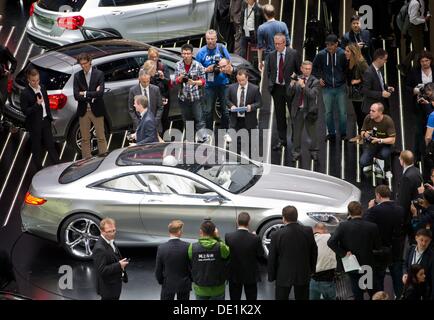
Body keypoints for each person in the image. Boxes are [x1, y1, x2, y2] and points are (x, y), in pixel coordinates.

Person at [327, 201, 382, 300]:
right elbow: (378, 246)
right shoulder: (372, 226)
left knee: (357, 293)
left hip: (352, 265)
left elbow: (331, 242)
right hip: (367, 265)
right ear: (362, 211)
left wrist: (343, 253)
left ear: (349, 212)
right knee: (373, 293)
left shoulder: (343, 226)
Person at [268, 205, 318, 300]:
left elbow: (272, 258)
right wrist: (312, 270)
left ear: (284, 218)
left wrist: (272, 276)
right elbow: (314, 252)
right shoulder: (308, 231)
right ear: (297, 216)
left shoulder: (276, 234)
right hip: (303, 273)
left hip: (283, 275)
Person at [364, 185, 405, 298]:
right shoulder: (400, 209)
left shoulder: (375, 210)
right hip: (397, 249)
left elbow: (365, 224)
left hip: (380, 250)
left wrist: (369, 208)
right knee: (397, 277)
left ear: (378, 195)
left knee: (379, 279)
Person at [265, 33, 300, 151]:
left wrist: (294, 81)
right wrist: (271, 84)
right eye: (275, 44)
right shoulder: (271, 55)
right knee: (279, 116)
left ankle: (295, 140)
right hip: (277, 89)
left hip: (290, 89)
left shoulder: (293, 53)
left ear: (285, 43)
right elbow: (269, 71)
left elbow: (298, 71)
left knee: (294, 115)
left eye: (279, 44)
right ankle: (282, 140)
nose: (277, 46)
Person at [20, 68, 59, 170]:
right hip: (34, 124)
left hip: (45, 121)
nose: (36, 82)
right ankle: (38, 169)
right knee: (36, 148)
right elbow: (25, 111)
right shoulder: (25, 93)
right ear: (28, 79)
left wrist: (50, 117)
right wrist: (36, 105)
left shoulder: (42, 87)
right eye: (33, 81)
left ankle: (59, 166)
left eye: (37, 80)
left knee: (50, 145)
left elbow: (46, 104)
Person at [196, 29, 231, 138]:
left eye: (212, 39)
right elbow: (196, 69)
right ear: (205, 39)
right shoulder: (201, 52)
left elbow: (229, 63)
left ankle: (225, 132)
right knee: (208, 110)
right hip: (209, 86)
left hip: (223, 83)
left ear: (216, 39)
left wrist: (222, 67)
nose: (210, 41)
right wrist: (207, 69)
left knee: (225, 110)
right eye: (208, 39)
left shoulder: (221, 48)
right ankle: (208, 132)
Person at [313, 34, 348, 141]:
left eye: (331, 45)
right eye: (327, 45)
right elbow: (314, 67)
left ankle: (343, 133)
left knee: (342, 112)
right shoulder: (321, 55)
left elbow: (348, 67)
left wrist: (345, 79)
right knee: (328, 112)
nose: (329, 47)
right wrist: (319, 78)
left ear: (337, 44)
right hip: (327, 88)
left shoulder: (342, 54)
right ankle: (331, 133)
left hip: (340, 87)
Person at [73, 53, 107, 159]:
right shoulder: (77, 76)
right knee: (84, 138)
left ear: (90, 61)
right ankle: (86, 161)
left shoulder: (99, 74)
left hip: (97, 109)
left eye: (85, 63)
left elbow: (100, 93)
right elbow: (76, 96)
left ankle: (103, 159)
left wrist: (85, 93)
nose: (83, 66)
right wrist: (92, 95)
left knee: (101, 137)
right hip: (83, 111)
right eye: (81, 64)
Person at [225, 212, 263, 300]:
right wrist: (255, 237)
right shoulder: (255, 238)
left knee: (234, 297)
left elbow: (227, 254)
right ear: (248, 222)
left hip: (234, 274)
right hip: (251, 274)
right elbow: (260, 254)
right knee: (251, 297)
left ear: (237, 221)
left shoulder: (228, 236)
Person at [188, 219, 230, 300]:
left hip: (200, 288)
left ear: (201, 231)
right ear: (214, 232)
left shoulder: (192, 247)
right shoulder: (221, 247)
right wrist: (218, 238)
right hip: (218, 289)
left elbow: (190, 262)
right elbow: (227, 253)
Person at [288, 60, 320, 163]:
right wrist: (292, 84)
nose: (307, 71)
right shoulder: (297, 79)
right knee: (296, 134)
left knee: (312, 133)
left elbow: (312, 95)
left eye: (309, 69)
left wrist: (303, 86)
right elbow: (289, 94)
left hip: (310, 111)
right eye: (305, 69)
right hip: (298, 110)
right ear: (301, 69)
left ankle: (314, 152)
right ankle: (296, 153)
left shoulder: (315, 81)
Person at [174, 43, 207, 142]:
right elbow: (175, 81)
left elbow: (204, 81)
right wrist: (180, 78)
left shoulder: (198, 65)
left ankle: (202, 138)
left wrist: (194, 82)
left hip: (196, 96)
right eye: (184, 53)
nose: (186, 55)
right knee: (187, 120)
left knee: (199, 118)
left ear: (192, 54)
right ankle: (190, 138)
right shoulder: (178, 65)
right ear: (181, 54)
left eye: (188, 53)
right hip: (183, 97)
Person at [226, 68, 261, 157]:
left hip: (249, 119)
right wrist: (231, 106)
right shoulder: (231, 87)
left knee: (249, 142)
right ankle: (237, 159)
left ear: (247, 78)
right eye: (239, 80)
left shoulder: (254, 89)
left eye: (242, 80)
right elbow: (226, 100)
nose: (241, 82)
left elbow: (260, 103)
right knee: (235, 141)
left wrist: (251, 107)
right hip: (236, 119)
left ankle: (247, 159)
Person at [406, 51, 434, 162]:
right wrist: (414, 90)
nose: (424, 63)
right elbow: (407, 86)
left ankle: (429, 153)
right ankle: (417, 155)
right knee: (418, 131)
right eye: (422, 61)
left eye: (426, 60)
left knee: (431, 130)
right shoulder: (414, 72)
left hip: (432, 105)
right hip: (419, 106)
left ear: (430, 60)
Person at [93, 218, 129, 300]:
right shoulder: (100, 249)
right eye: (109, 231)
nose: (112, 233)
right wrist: (119, 265)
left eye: (114, 230)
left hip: (114, 285)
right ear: (102, 231)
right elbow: (101, 270)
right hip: (108, 289)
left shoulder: (110, 240)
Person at [155, 220, 191, 300]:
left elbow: (158, 269)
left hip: (167, 284)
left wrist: (161, 281)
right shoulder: (188, 246)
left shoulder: (162, 248)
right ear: (179, 231)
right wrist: (190, 280)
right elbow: (191, 266)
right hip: (184, 284)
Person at [359, 102, 396, 176]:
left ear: (380, 112)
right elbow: (362, 131)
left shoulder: (388, 121)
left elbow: (392, 140)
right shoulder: (368, 118)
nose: (370, 112)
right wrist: (365, 134)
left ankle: (387, 169)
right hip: (371, 143)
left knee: (385, 154)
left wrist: (380, 140)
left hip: (385, 144)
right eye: (370, 110)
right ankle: (372, 161)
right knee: (363, 162)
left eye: (373, 111)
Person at [398, 0, 431, 76]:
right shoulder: (415, 3)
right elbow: (413, 19)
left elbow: (422, 13)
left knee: (418, 49)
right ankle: (412, 68)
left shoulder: (422, 1)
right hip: (415, 28)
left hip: (419, 27)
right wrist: (424, 20)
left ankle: (405, 65)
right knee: (419, 50)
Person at [344, 43, 369, 141]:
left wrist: (358, 80)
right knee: (358, 115)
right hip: (354, 94)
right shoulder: (349, 61)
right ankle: (360, 135)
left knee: (362, 116)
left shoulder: (361, 62)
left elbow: (369, 75)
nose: (345, 53)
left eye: (347, 51)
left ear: (353, 52)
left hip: (361, 94)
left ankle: (365, 137)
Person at [128, 68, 163, 134]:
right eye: (144, 82)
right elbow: (131, 109)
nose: (146, 83)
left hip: (155, 125)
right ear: (139, 79)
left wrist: (155, 121)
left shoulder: (155, 89)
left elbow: (160, 107)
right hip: (139, 125)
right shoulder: (133, 90)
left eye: (148, 81)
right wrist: (139, 123)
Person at [397, 150, 423, 238]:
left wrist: (400, 220)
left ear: (403, 161)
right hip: (417, 208)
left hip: (408, 216)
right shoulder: (416, 170)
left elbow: (403, 200)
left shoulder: (407, 177)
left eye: (400, 158)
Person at [361, 49, 395, 116]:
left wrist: (387, 87)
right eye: (385, 59)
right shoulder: (368, 73)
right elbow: (365, 91)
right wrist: (381, 94)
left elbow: (380, 84)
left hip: (382, 105)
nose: (385, 61)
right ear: (379, 59)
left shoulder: (380, 70)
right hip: (373, 108)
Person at [256, 4, 290, 71]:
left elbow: (260, 47)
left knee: (270, 79)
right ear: (274, 13)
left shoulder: (261, 28)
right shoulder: (283, 25)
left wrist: (259, 62)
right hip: (282, 57)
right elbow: (288, 43)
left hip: (269, 58)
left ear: (265, 15)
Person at [309, 223, 337, 300]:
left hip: (313, 280)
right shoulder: (331, 238)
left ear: (314, 230)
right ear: (325, 230)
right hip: (328, 280)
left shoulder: (309, 240)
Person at [148, 48, 171, 133]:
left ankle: (165, 138)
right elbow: (142, 81)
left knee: (164, 118)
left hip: (163, 95)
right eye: (151, 57)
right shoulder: (145, 67)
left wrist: (162, 77)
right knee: (152, 117)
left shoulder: (163, 66)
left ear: (158, 57)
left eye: (155, 57)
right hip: (151, 96)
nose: (154, 59)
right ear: (148, 57)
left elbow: (168, 81)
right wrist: (149, 75)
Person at [0, 44, 17, 109]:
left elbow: (14, 61)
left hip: (2, 78)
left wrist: (10, 71)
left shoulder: (3, 49)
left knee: (2, 100)